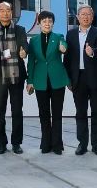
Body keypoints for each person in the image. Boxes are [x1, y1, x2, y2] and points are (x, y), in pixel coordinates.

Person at [0, 2, 29, 155]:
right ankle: (1, 143)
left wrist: (24, 52)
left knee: (17, 111)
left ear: (12, 12)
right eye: (2, 10)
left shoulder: (20, 29)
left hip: (17, 76)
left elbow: (24, 45)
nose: (5, 13)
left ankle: (16, 143)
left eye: (8, 10)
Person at [66, 5, 97, 155]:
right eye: (82, 14)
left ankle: (96, 145)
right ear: (77, 17)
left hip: (95, 78)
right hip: (78, 78)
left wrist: (93, 52)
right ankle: (82, 144)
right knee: (80, 112)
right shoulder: (70, 34)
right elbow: (68, 58)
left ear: (92, 17)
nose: (85, 17)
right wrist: (68, 79)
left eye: (88, 14)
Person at [26, 10, 68, 154]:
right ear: (39, 23)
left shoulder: (59, 37)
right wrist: (30, 80)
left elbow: (64, 46)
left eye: (50, 21)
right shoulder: (34, 41)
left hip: (57, 80)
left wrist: (63, 48)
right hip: (40, 80)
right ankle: (45, 143)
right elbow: (31, 61)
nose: (47, 24)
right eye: (44, 21)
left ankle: (57, 145)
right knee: (43, 114)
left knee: (57, 114)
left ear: (53, 23)